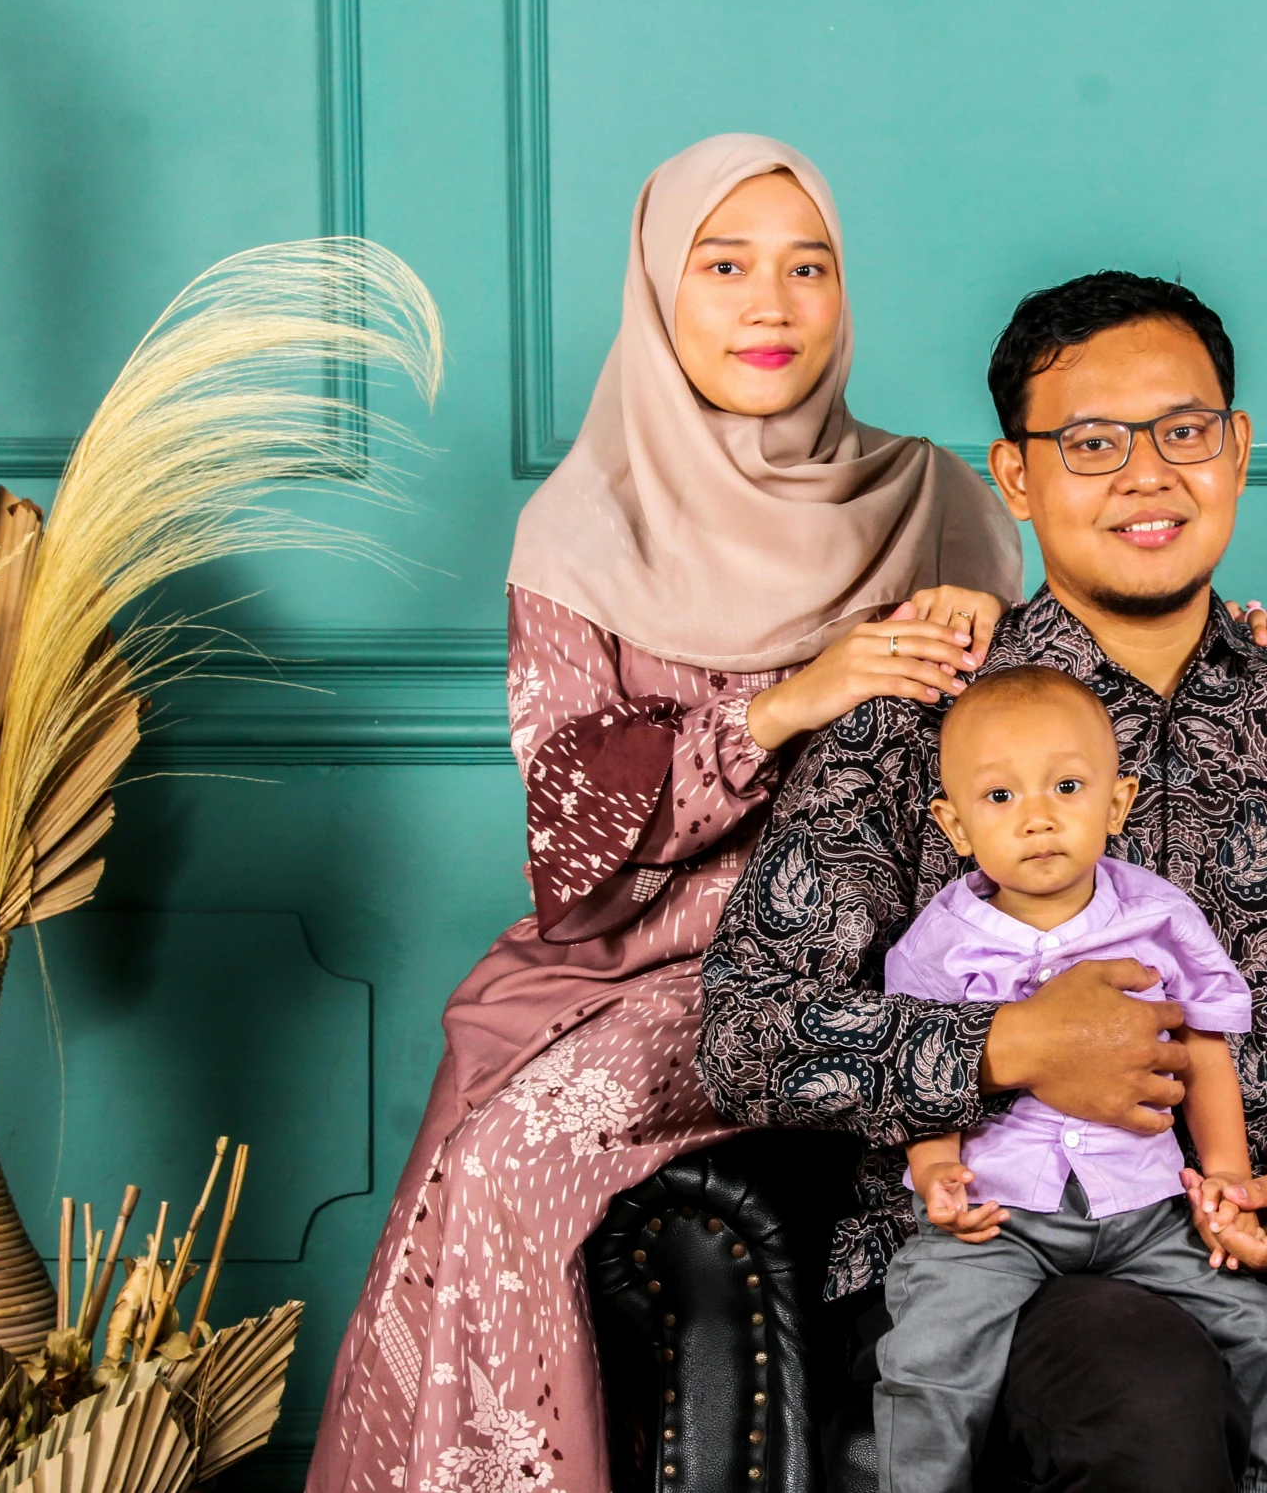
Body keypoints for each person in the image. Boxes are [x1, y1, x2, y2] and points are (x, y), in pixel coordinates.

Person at [701, 271, 1267, 1493]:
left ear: (1234, 450)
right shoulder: (915, 717)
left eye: (1183, 432)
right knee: (1146, 1374)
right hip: (1006, 1232)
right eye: (1089, 443)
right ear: (1015, 477)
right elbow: (744, 1029)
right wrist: (1005, 1045)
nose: (1146, 475)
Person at [305, 134, 1029, 1493]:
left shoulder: (935, 500)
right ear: (657, 291)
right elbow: (571, 826)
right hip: (645, 963)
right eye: (725, 266)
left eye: (806, 267)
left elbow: (1025, 759)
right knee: (510, 1145)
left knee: (528, 1146)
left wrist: (981, 629)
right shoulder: (579, 528)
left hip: (856, 967)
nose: (770, 305)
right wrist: (787, 699)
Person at [876, 664, 1267, 1493]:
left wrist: (1226, 1176)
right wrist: (933, 1167)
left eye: (1067, 786)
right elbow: (919, 1058)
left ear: (1116, 803)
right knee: (927, 1354)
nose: (1038, 817)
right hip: (1001, 1214)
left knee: (1256, 1329)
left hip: (1145, 1207)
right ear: (954, 823)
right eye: (1000, 799)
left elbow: (1205, 1044)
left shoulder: (1160, 916)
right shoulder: (939, 940)